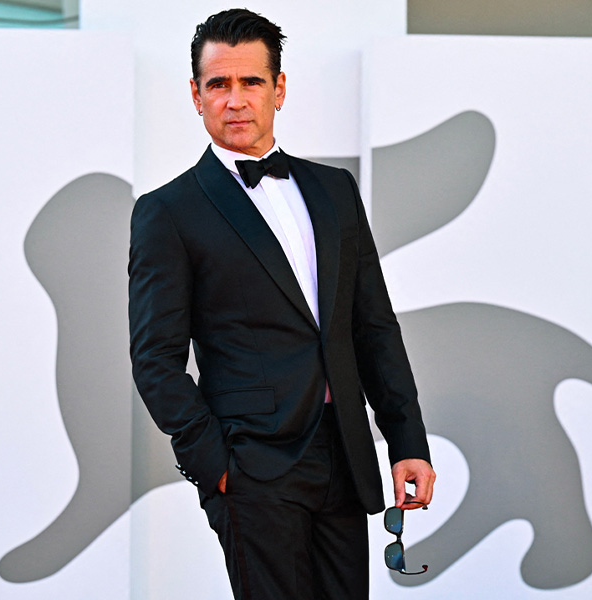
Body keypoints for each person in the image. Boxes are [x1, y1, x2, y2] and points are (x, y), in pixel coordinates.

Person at [128, 8, 435, 599]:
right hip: (251, 466)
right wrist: (216, 465)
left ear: (279, 89)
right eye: (218, 84)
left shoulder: (334, 190)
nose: (235, 99)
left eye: (251, 81)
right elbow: (154, 359)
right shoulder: (167, 211)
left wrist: (407, 443)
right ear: (196, 95)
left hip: (344, 454)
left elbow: (372, 327)